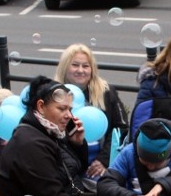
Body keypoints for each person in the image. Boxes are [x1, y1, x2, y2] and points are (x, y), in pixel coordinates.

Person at [54, 44, 129, 181]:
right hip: (66, 162)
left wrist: (103, 161)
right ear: (65, 68)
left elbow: (121, 127)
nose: (81, 70)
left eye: (86, 66)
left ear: (92, 69)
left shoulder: (106, 92)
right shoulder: (53, 93)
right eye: (75, 65)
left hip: (100, 160)